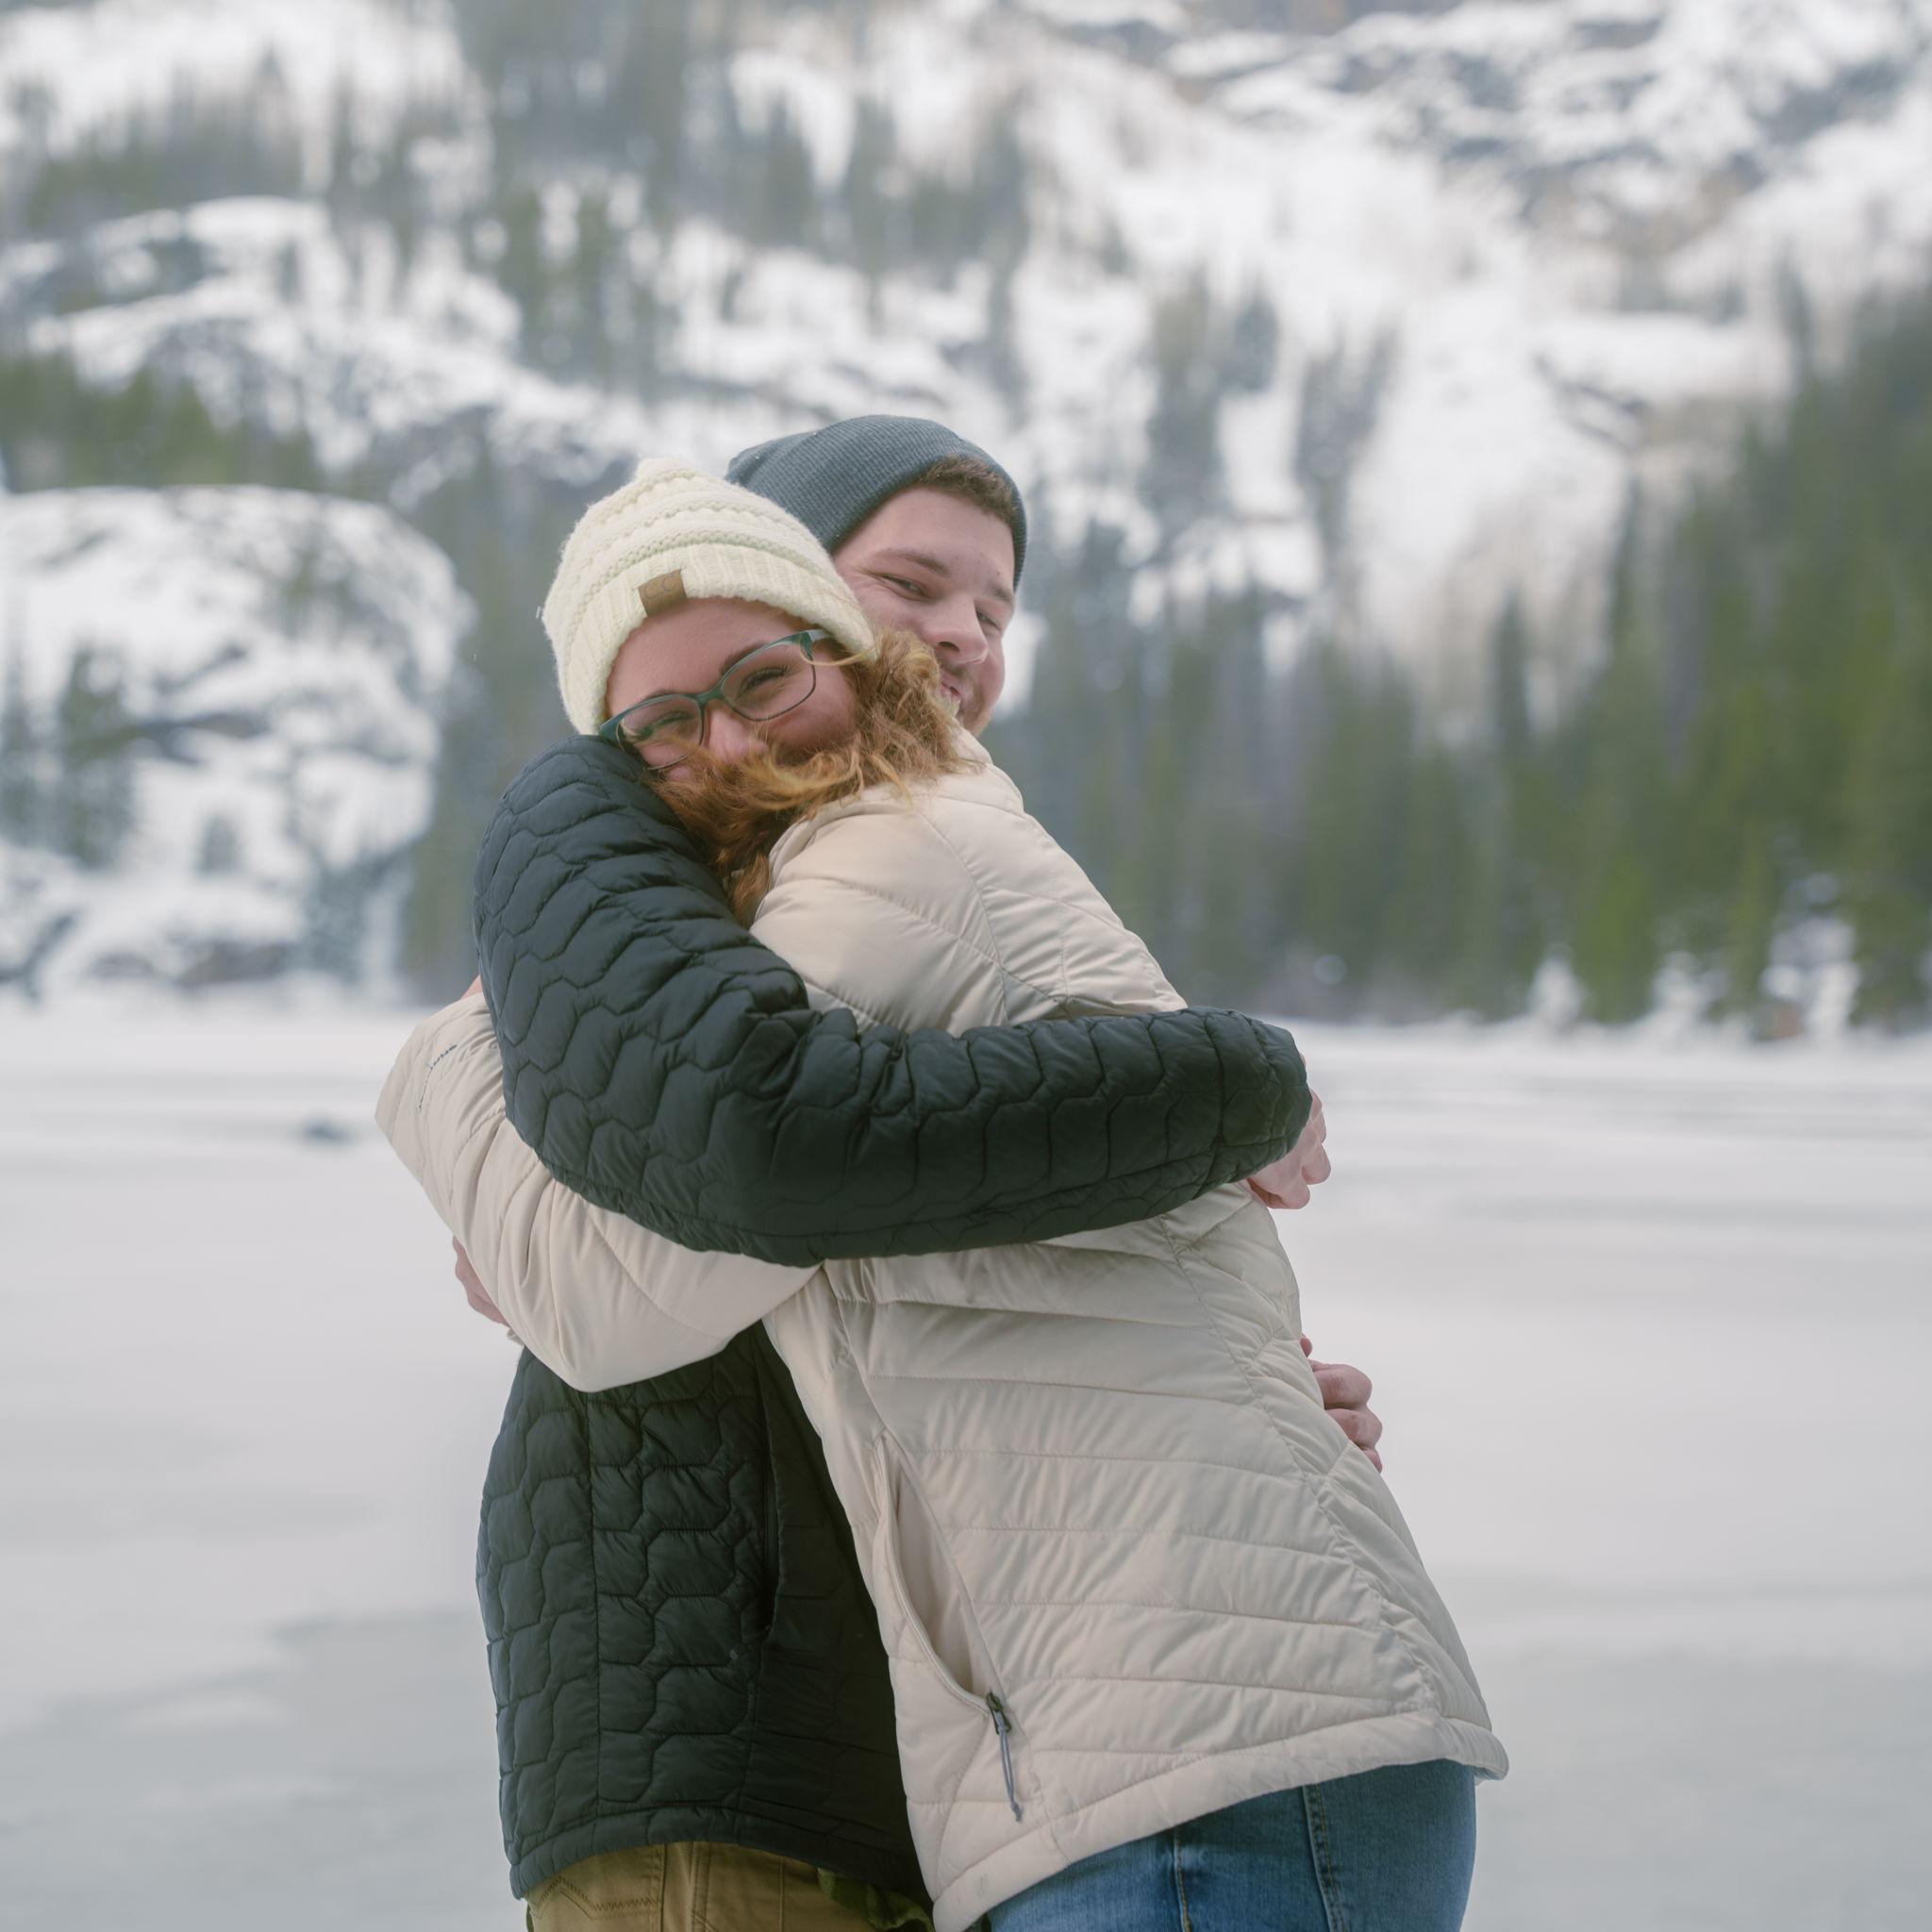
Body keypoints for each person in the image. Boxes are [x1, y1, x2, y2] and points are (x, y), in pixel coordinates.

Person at [381, 446, 1501, 1932]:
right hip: (970, 1750)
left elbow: (691, 1205)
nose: (963, 632)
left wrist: (468, 1080)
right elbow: (749, 1203)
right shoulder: (758, 907)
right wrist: (1226, 1101)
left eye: (996, 604)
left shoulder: (887, 851)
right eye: (914, 583)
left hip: (1149, 1737)